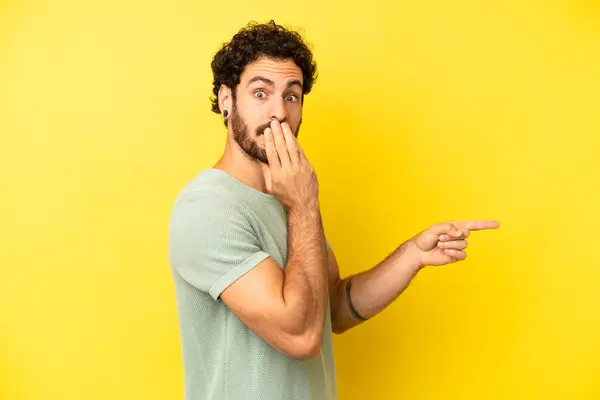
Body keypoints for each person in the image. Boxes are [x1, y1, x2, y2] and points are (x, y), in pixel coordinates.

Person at [168, 20, 500, 400]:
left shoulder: (289, 195)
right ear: (226, 100)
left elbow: (332, 309)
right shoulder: (209, 207)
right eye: (261, 93)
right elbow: (301, 335)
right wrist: (305, 203)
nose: (279, 112)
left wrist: (411, 255)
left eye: (291, 96)